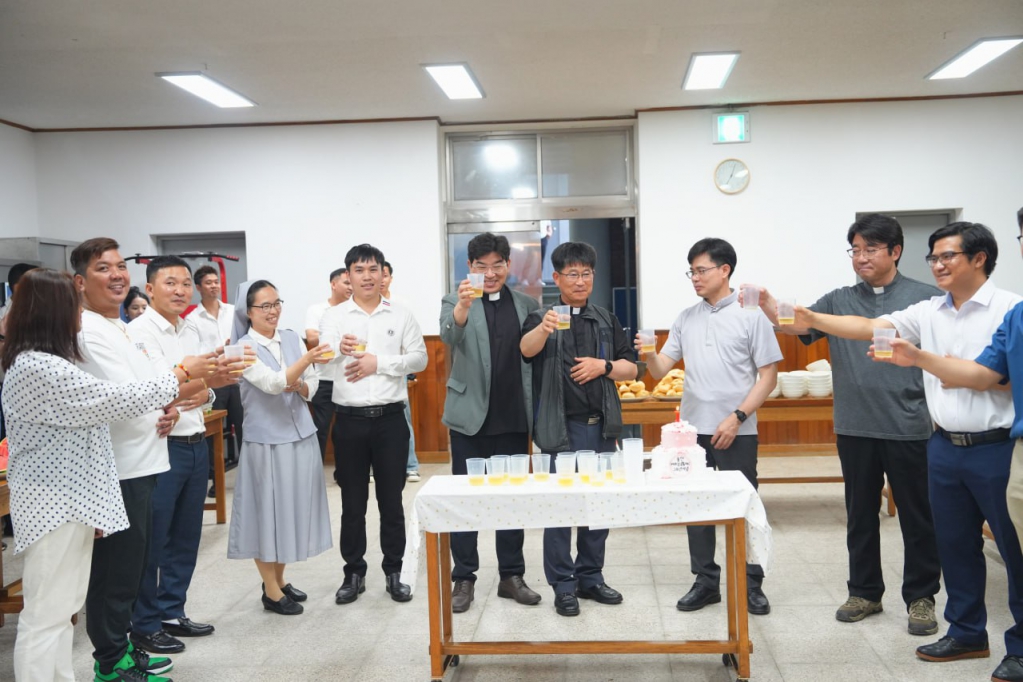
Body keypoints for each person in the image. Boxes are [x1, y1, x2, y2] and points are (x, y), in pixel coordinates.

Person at [803, 222, 1023, 681]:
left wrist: (917, 357)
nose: (939, 265)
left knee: (1012, 549)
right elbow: (865, 326)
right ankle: (966, 632)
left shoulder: (1010, 309)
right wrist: (809, 317)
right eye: (934, 258)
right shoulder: (929, 310)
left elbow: (987, 376)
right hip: (943, 442)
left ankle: (1019, 646)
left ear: (979, 259)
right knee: (956, 544)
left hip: (995, 448)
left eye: (948, 257)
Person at [1, 267, 214, 682]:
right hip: (52, 505)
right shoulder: (37, 366)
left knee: (61, 612)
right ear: (52, 311)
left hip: (71, 502)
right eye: (72, 304)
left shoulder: (51, 360)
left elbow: (96, 420)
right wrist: (181, 375)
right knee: (46, 616)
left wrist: (97, 506)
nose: (79, 314)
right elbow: (113, 400)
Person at [749, 213, 942, 635]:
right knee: (859, 513)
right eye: (855, 249)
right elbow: (799, 325)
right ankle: (865, 592)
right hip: (854, 426)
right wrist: (768, 303)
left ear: (895, 251)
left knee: (917, 515)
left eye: (870, 249)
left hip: (910, 424)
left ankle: (922, 597)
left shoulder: (926, 298)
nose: (861, 257)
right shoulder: (839, 299)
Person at [71, 239, 236, 680]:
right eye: (104, 269)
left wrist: (183, 392)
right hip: (127, 463)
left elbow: (176, 390)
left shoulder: (126, 327)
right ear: (80, 282)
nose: (116, 275)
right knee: (126, 566)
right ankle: (122, 649)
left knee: (161, 550)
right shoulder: (104, 329)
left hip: (163, 452)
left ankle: (146, 631)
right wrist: (179, 385)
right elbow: (137, 394)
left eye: (119, 266)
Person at [642, 238, 781, 616]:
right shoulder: (687, 317)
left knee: (745, 506)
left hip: (737, 428)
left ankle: (752, 583)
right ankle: (705, 582)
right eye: (691, 271)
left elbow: (768, 376)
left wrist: (737, 417)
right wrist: (647, 350)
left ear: (725, 270)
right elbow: (658, 371)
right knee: (696, 508)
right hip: (691, 432)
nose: (695, 278)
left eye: (701, 270)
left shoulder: (751, 315)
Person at [520, 241, 638, 617]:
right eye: (572, 273)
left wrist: (603, 366)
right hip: (560, 429)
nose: (581, 280)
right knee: (560, 509)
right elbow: (525, 350)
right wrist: (543, 328)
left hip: (601, 428)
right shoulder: (542, 318)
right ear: (556, 278)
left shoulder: (606, 318)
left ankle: (591, 577)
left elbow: (631, 368)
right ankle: (563, 585)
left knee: (597, 506)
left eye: (586, 273)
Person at [439, 233, 542, 613]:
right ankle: (463, 578)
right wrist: (463, 306)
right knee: (465, 500)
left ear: (508, 266)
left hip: (514, 417)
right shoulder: (455, 300)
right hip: (470, 420)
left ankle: (511, 576)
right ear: (470, 268)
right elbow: (451, 334)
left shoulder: (526, 304)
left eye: (497, 264)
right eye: (482, 266)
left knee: (511, 499)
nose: (491, 272)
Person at [127, 256, 224, 655]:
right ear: (149, 289)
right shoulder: (137, 333)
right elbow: (150, 389)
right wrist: (188, 388)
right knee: (152, 540)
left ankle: (171, 611)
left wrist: (208, 393)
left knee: (186, 537)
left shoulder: (192, 328)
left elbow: (204, 384)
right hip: (158, 448)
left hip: (195, 441)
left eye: (186, 283)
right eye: (170, 283)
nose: (181, 290)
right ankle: (145, 623)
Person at [321, 244, 427, 605]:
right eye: (359, 270)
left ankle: (394, 571)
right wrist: (339, 349)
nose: (367, 276)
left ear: (384, 274)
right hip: (348, 422)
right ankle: (353, 573)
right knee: (352, 503)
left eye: (373, 269)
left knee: (392, 501)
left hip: (390, 421)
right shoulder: (334, 317)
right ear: (347, 277)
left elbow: (420, 358)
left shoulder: (401, 314)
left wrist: (376, 362)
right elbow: (321, 364)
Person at [227, 280, 333, 615]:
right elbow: (273, 384)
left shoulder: (290, 337)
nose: (272, 312)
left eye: (276, 304)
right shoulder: (241, 348)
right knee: (266, 514)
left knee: (292, 510)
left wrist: (301, 382)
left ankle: (281, 578)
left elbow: (312, 385)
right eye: (264, 306)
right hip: (266, 441)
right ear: (249, 312)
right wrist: (305, 364)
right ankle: (270, 590)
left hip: (301, 434)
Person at [186, 265, 242, 497]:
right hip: (211, 380)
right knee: (213, 433)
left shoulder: (233, 311)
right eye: (208, 282)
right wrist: (217, 352)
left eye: (216, 281)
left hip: (237, 377)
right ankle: (216, 481)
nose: (214, 286)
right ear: (199, 287)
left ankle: (249, 479)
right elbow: (195, 351)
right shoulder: (192, 318)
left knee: (244, 428)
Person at [379, 260, 420, 482]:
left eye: (384, 275)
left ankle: (411, 465)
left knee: (403, 419)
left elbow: (410, 343)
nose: (380, 279)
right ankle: (377, 468)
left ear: (390, 278)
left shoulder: (401, 305)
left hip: (397, 370)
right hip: (369, 372)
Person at [305, 267, 351, 460]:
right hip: (324, 378)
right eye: (346, 283)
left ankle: (344, 471)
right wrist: (337, 339)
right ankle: (315, 470)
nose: (351, 287)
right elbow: (312, 338)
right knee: (321, 428)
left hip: (348, 377)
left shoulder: (354, 310)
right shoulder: (317, 310)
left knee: (347, 431)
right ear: (333, 284)